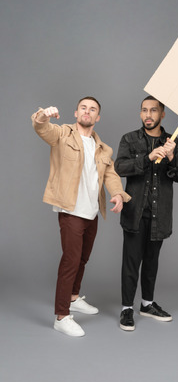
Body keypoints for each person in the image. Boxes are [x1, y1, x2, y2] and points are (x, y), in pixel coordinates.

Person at [31, 97, 130, 337]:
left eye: (93, 109)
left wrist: (117, 193)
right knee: (71, 261)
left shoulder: (103, 148)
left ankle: (73, 298)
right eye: (83, 108)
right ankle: (62, 316)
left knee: (83, 259)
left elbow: (110, 175)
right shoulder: (63, 134)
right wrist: (43, 114)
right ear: (76, 112)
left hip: (92, 211)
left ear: (98, 118)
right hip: (70, 210)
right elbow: (41, 128)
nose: (87, 112)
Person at [114, 95, 178, 331]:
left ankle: (147, 304)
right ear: (140, 114)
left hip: (160, 214)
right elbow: (119, 167)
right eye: (144, 110)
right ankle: (127, 308)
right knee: (131, 262)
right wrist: (147, 158)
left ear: (162, 114)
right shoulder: (129, 139)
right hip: (135, 212)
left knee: (152, 262)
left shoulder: (175, 143)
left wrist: (171, 157)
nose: (148, 115)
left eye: (153, 110)